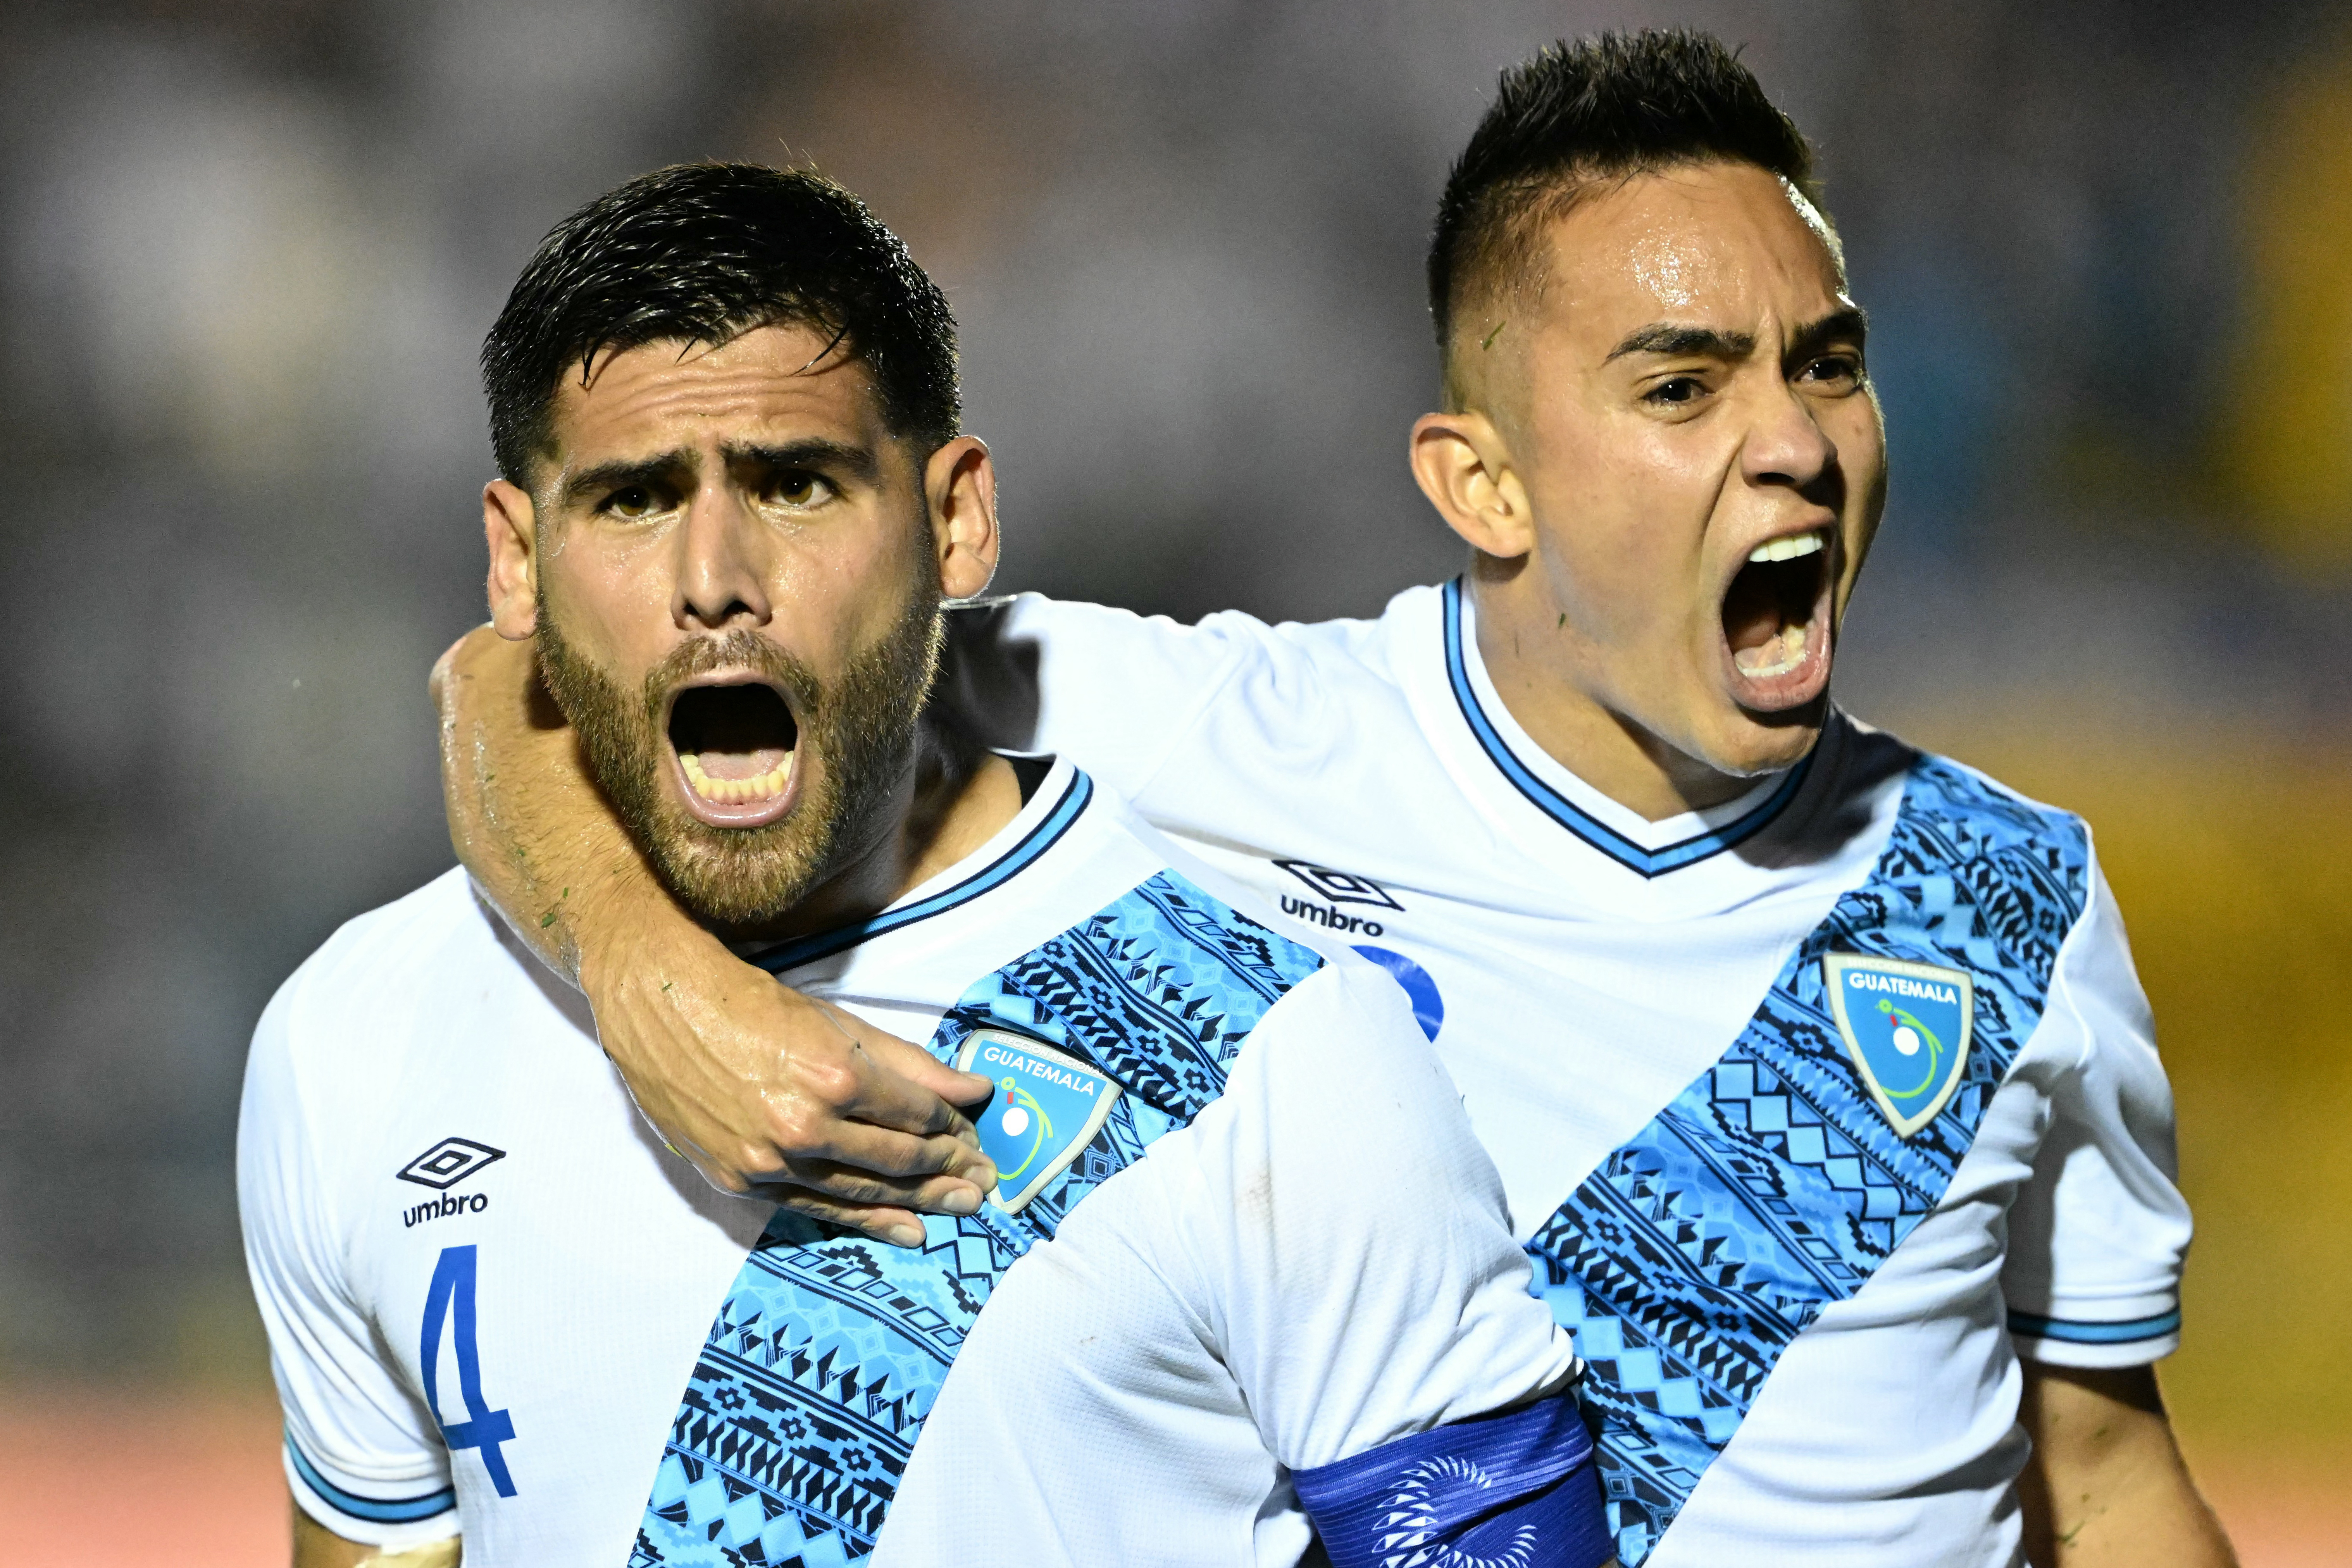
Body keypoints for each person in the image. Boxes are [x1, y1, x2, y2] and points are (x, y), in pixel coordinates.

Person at [433, 31, 2240, 1568]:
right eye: (1683, 385)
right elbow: (516, 688)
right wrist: (653, 983)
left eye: (1826, 362)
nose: (1794, 441)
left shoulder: (2011, 904)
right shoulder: (1191, 737)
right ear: (1484, 482)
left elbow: (2097, 1466)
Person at [240, 162, 1614, 1568]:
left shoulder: (1274, 1053)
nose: (716, 574)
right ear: (517, 561)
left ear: (954, 520)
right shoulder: (352, 1042)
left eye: (794, 483)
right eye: (637, 499)